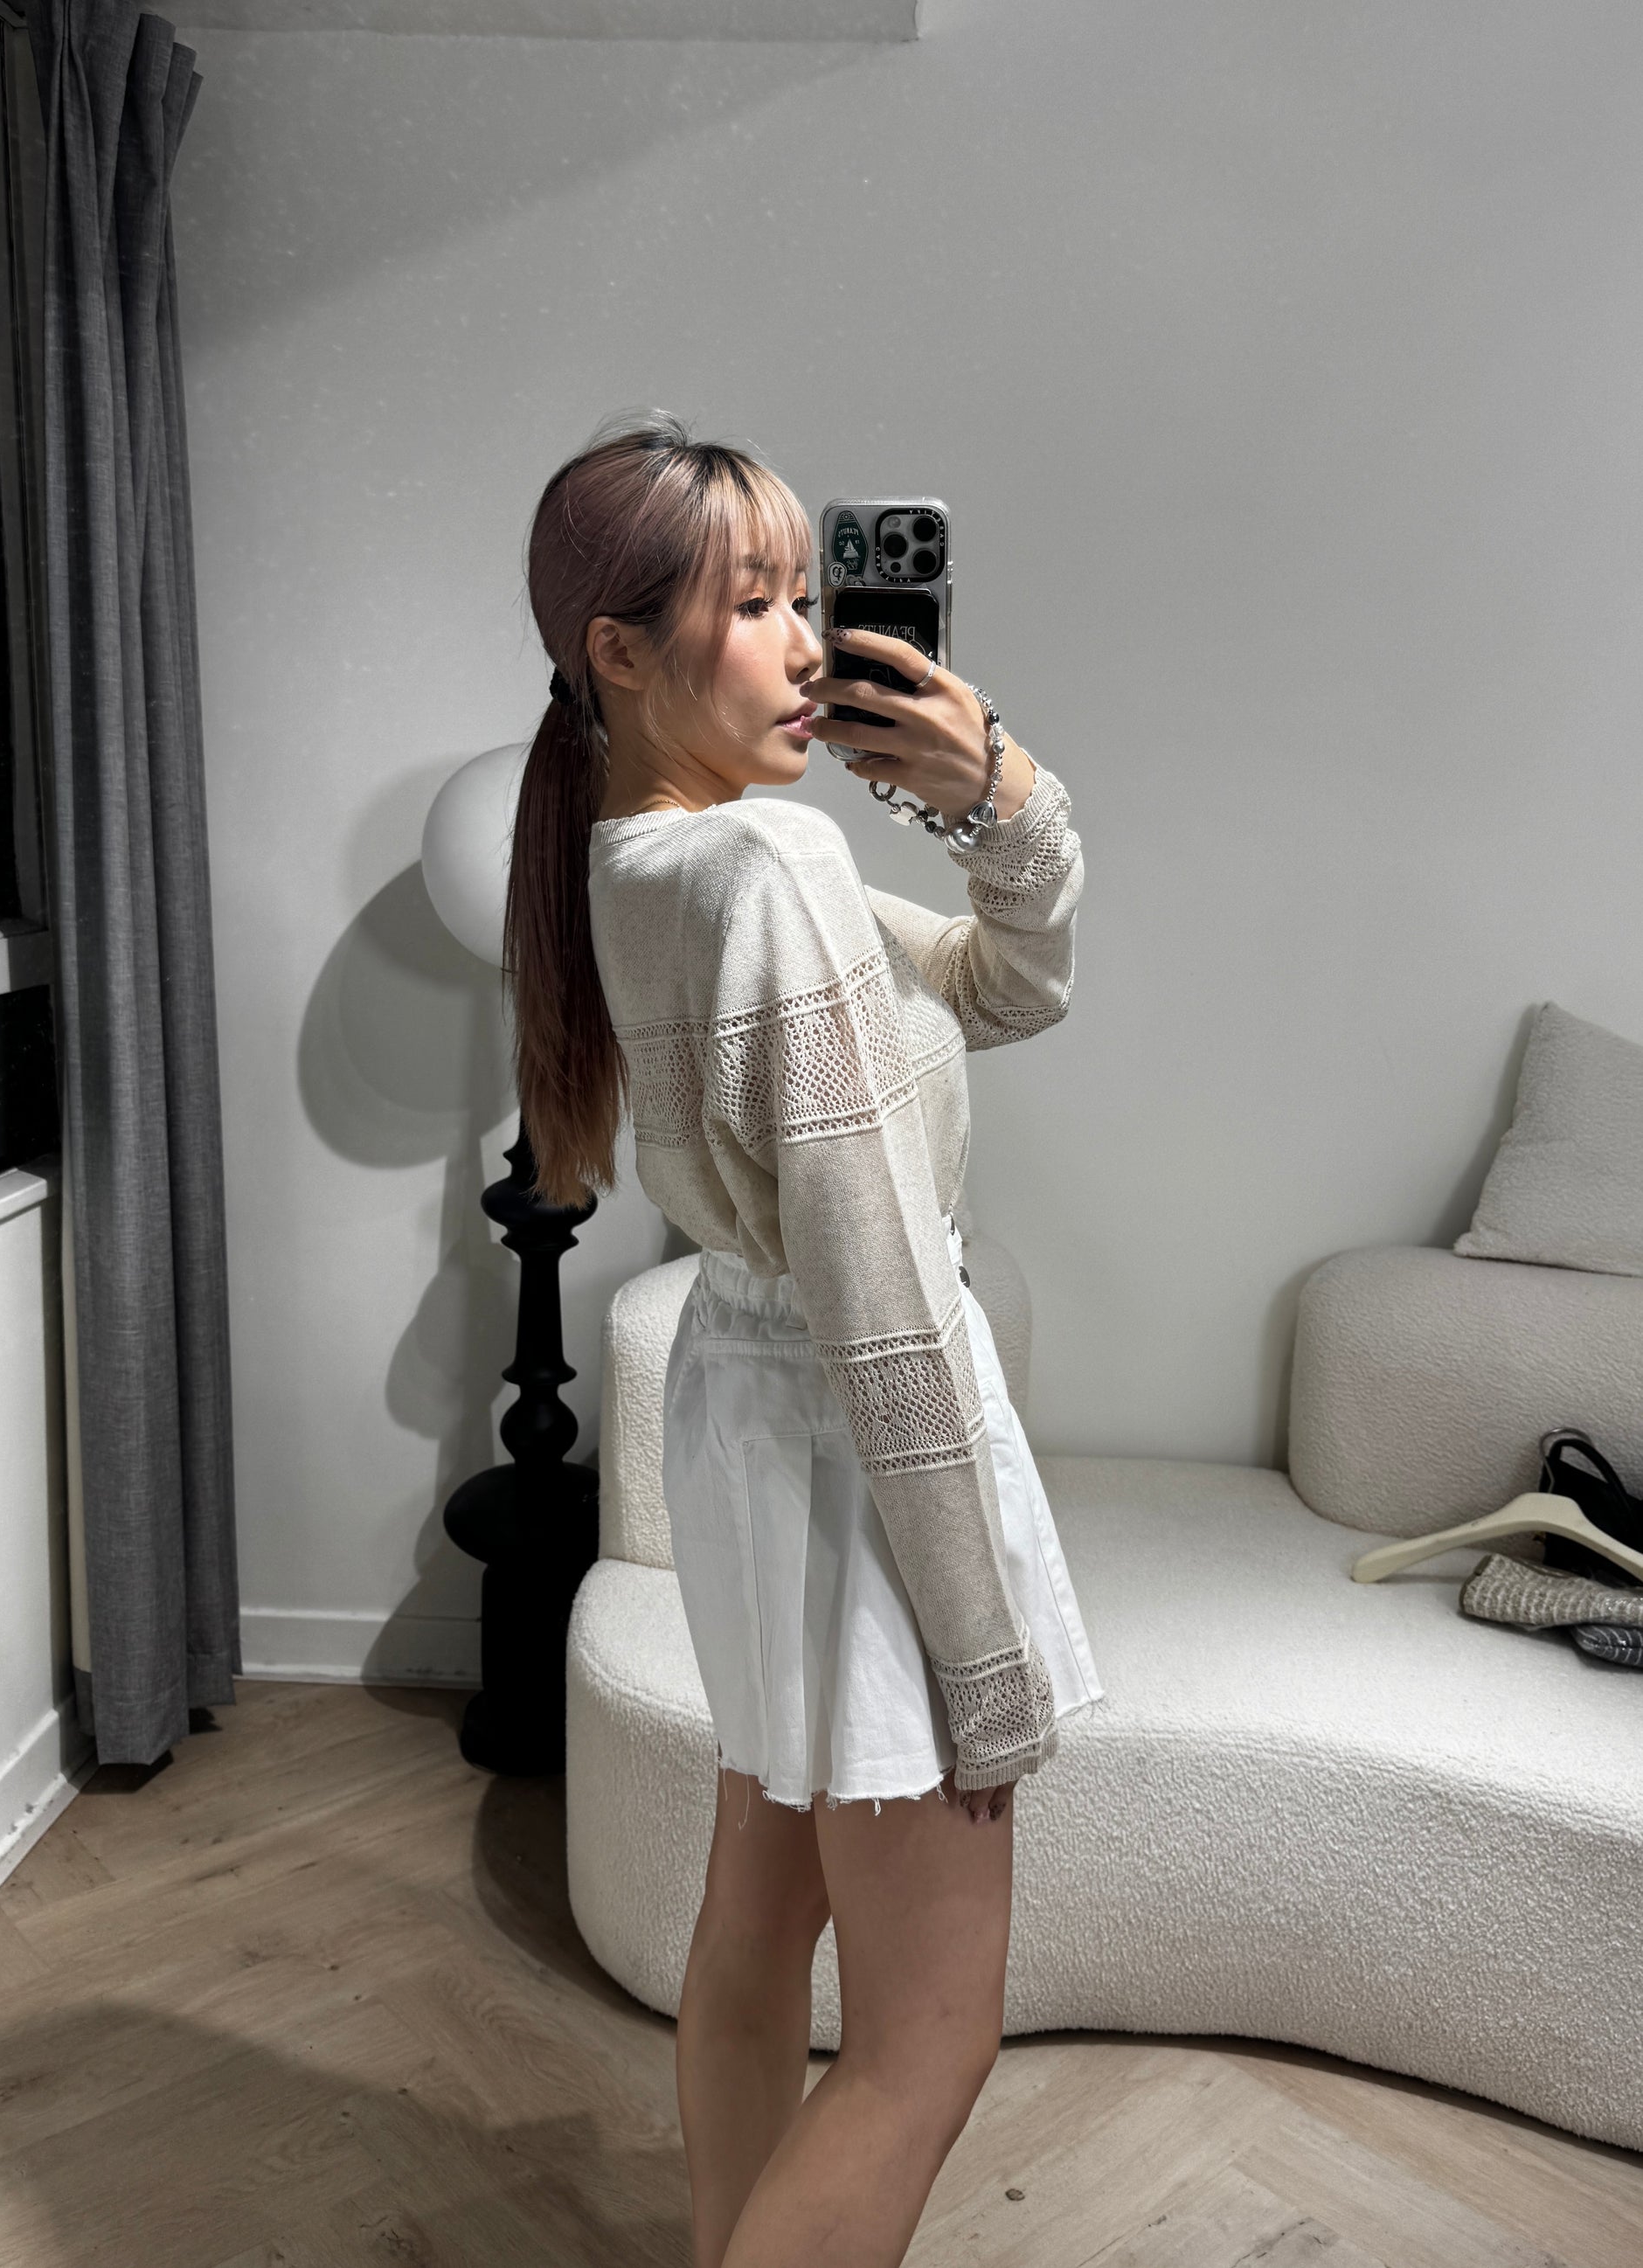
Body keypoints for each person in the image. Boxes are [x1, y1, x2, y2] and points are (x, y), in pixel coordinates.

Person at [505, 409, 1105, 2268]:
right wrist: (982, 1649)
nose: (804, 642)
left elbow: (1001, 980)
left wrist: (992, 794)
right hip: (857, 1438)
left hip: (761, 1425)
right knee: (929, 2037)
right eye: (753, 602)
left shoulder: (650, 859)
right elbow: (883, 1295)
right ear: (620, 653)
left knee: (759, 1917)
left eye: (802, 598)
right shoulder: (764, 867)